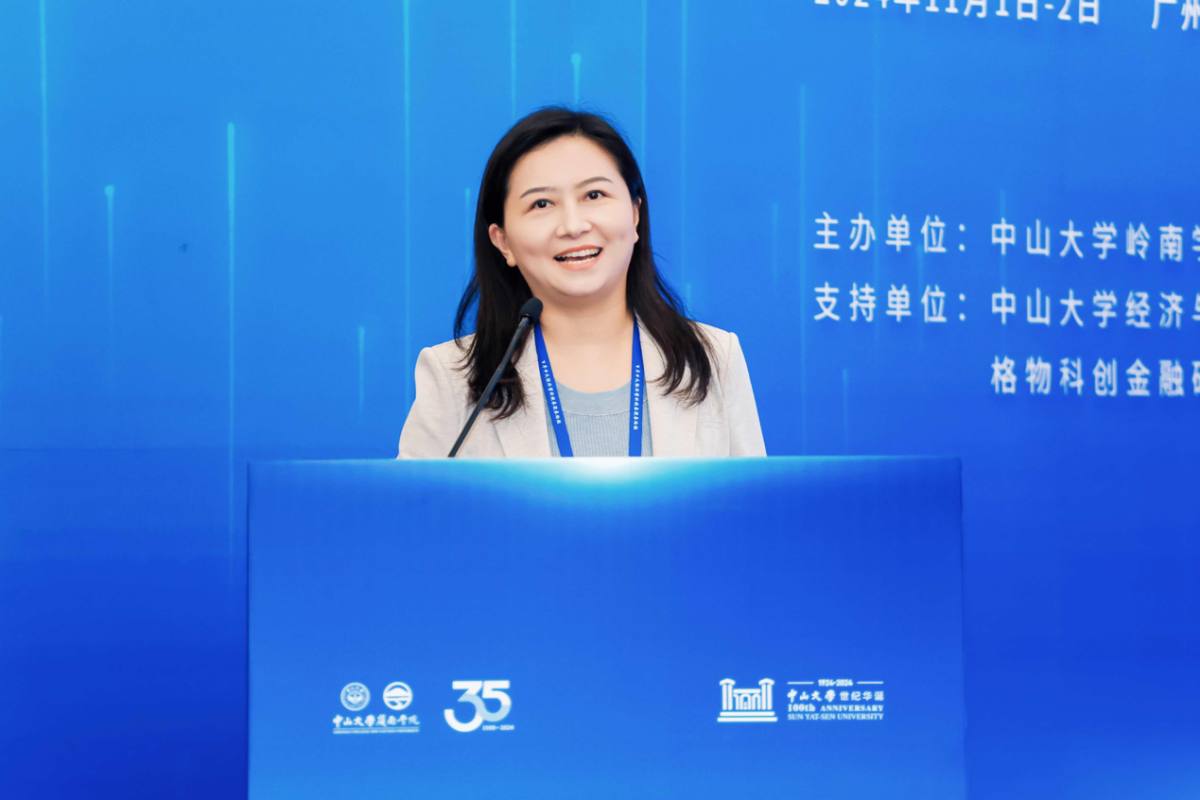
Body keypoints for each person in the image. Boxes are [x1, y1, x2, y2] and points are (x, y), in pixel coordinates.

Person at [398, 107, 765, 458]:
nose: (573, 226)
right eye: (542, 204)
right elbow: (412, 504)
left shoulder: (714, 359)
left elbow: (754, 503)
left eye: (594, 195)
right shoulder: (452, 378)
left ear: (635, 214)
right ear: (503, 241)